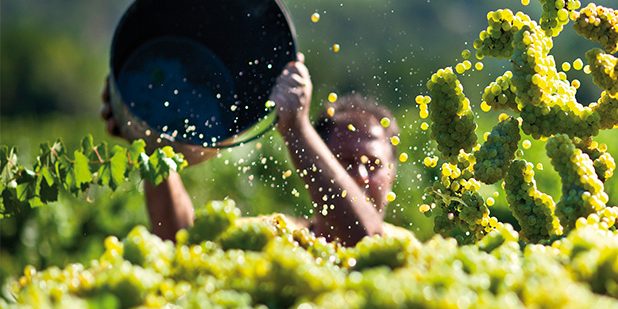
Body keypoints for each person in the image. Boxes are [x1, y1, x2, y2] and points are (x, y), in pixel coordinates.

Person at [101, 53, 402, 246]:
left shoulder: (407, 250)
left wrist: (298, 129)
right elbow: (182, 243)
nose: (360, 175)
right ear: (318, 165)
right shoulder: (277, 237)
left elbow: (366, 242)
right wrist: (152, 144)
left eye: (373, 164)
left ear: (392, 177)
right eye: (344, 161)